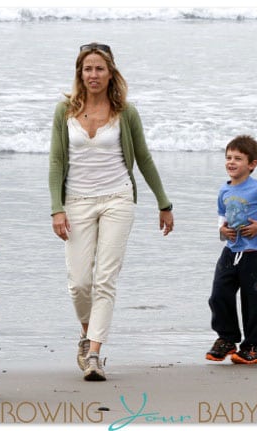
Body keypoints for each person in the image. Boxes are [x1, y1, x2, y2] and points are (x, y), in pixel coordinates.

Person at [48, 42, 174, 382]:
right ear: (80, 72)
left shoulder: (126, 113)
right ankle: (87, 334)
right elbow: (57, 161)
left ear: (110, 72)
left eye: (99, 68)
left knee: (105, 279)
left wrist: (164, 203)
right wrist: (56, 209)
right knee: (78, 283)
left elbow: (144, 159)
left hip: (118, 198)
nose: (93, 74)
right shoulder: (65, 111)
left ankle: (94, 354)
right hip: (76, 201)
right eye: (87, 68)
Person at [206, 135, 257, 364]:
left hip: (256, 254)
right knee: (219, 295)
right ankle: (227, 338)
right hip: (231, 252)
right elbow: (222, 215)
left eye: (238, 158)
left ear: (252, 164)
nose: (231, 162)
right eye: (228, 157)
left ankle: (252, 347)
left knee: (253, 301)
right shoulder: (225, 190)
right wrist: (222, 230)